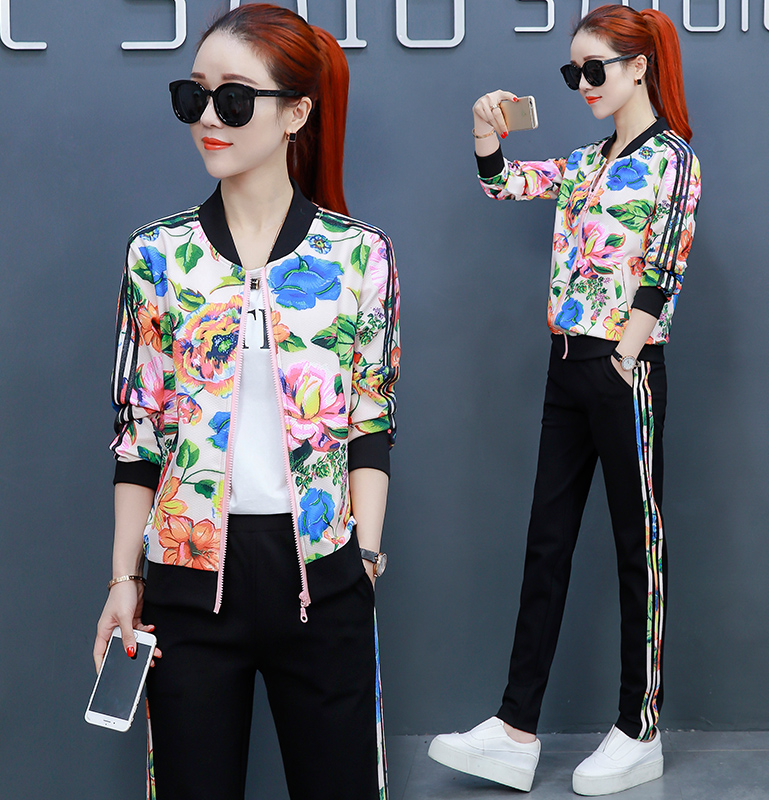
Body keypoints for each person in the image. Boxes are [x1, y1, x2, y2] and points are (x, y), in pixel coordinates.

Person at [92, 5, 400, 799]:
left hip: (322, 578)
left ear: (296, 112)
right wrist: (124, 580)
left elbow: (370, 421)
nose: (207, 118)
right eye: (193, 95)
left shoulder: (359, 256)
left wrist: (364, 558)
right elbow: (138, 432)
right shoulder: (157, 256)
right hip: (188, 582)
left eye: (232, 99)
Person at [428, 5, 699, 796]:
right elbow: (505, 184)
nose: (582, 83)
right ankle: (516, 728)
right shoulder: (585, 161)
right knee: (547, 542)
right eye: (571, 72)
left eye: (594, 69)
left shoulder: (672, 160)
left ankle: (639, 727)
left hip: (623, 367)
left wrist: (627, 351)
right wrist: (485, 134)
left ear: (638, 67)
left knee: (637, 546)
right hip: (566, 363)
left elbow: (667, 261)